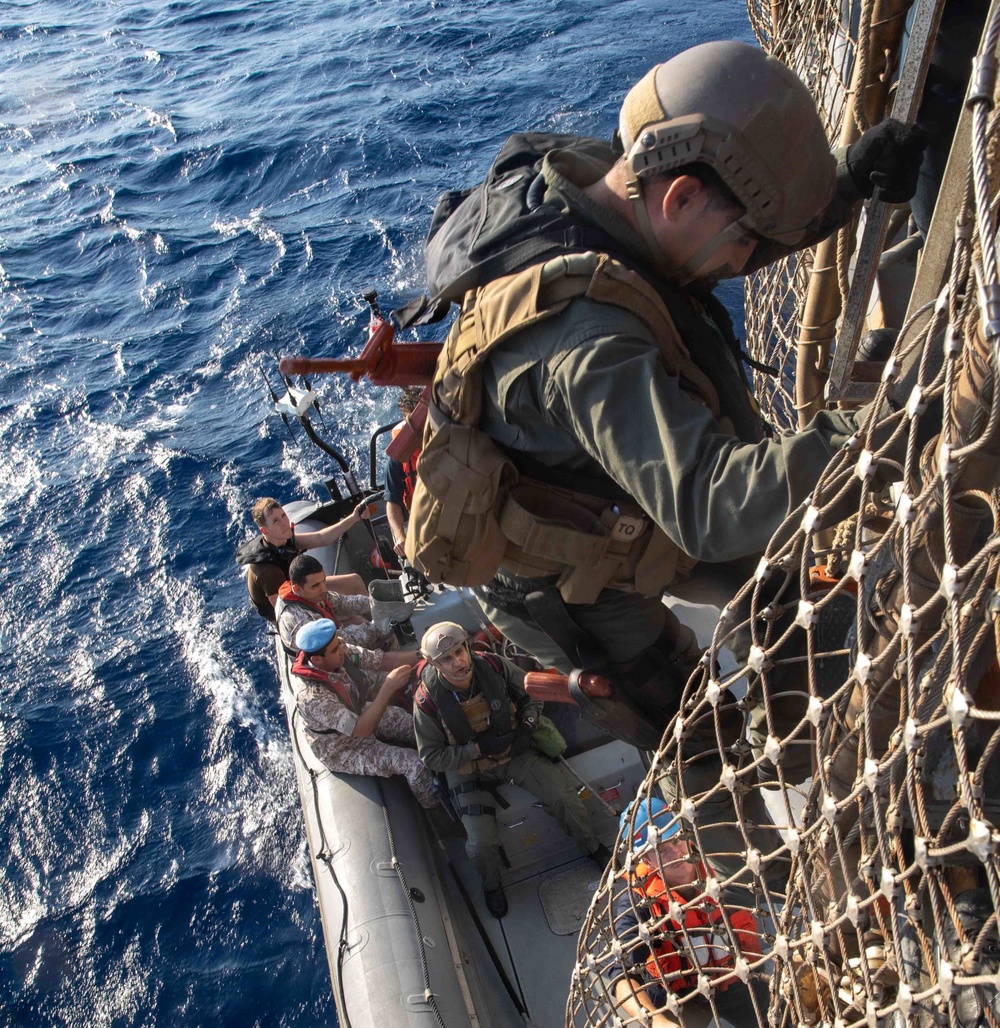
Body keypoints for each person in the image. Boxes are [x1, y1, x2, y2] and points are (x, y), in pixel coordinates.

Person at [405, 41, 925, 732]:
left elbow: (712, 222)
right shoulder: (587, 345)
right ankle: (737, 817)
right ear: (678, 196)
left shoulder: (586, 180)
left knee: (776, 582)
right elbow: (710, 505)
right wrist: (886, 420)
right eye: (747, 241)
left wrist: (843, 189)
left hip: (629, 490)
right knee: (688, 725)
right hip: (571, 579)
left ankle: (803, 712)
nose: (746, 258)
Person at [412, 622, 611, 918]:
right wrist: (476, 751)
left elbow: (532, 693)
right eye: (448, 659)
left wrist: (526, 727)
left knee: (564, 798)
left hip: (512, 751)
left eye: (460, 651)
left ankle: (593, 848)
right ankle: (492, 884)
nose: (459, 662)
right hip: (469, 770)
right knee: (480, 844)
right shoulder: (427, 702)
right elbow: (431, 756)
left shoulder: (493, 665)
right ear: (434, 664)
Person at [605, 798, 763, 1028]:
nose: (674, 851)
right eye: (659, 850)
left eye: (676, 838)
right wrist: (655, 1022)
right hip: (679, 996)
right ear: (644, 860)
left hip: (730, 972)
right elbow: (620, 978)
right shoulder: (633, 902)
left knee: (763, 1013)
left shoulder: (720, 863)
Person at [289, 619, 435, 807]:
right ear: (316, 660)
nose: (342, 649)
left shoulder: (340, 653)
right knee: (413, 764)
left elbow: (382, 660)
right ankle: (434, 808)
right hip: (342, 747)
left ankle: (437, 753)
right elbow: (362, 729)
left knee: (408, 721)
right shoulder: (313, 697)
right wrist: (388, 687)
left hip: (356, 713)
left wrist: (422, 654)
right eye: (335, 649)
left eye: (339, 644)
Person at [237, 495, 375, 623]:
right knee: (352, 620)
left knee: (354, 581)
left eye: (283, 516)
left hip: (301, 585)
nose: (284, 523)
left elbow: (320, 538)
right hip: (291, 604)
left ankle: (379, 617)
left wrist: (353, 517)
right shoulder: (268, 572)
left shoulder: (283, 540)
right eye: (275, 521)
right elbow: (285, 611)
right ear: (264, 531)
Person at [274, 553, 391, 655]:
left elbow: (342, 603)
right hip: (326, 659)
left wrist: (377, 603)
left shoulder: (311, 593)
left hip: (333, 643)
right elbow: (341, 642)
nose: (324, 588)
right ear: (297, 589)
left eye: (324, 581)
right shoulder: (301, 620)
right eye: (315, 585)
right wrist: (380, 626)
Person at [384, 387, 423, 557]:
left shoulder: (451, 440)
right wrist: (400, 537)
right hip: (420, 519)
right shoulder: (399, 457)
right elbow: (392, 502)